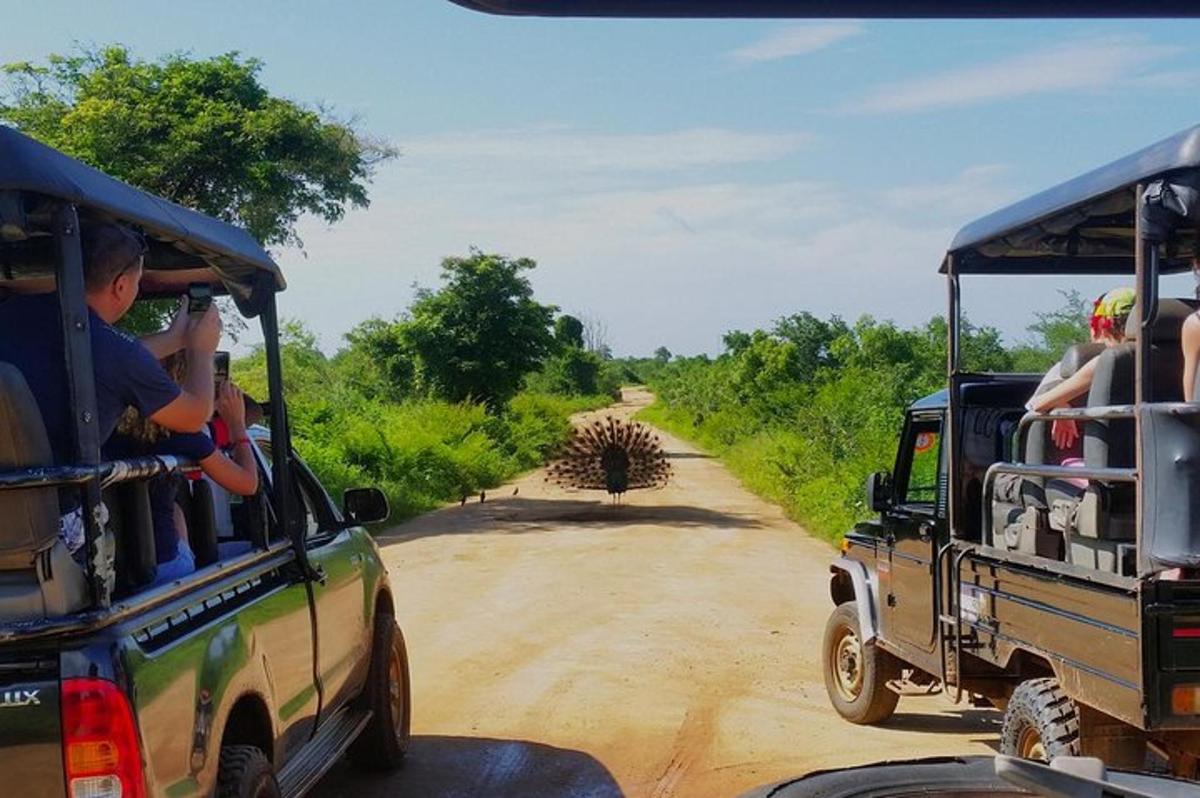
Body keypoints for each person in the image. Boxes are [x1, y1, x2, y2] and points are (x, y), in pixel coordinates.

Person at [0, 221, 222, 557]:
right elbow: (193, 415)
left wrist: (174, 339)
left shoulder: (13, 313)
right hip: (49, 530)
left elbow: (105, 358)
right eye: (137, 284)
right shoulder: (113, 351)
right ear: (120, 286)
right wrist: (201, 351)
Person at [107, 359, 258, 585]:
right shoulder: (184, 438)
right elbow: (248, 483)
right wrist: (237, 424)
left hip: (113, 569)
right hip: (167, 564)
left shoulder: (109, 432)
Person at [1028, 287, 1136, 451]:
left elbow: (1038, 404)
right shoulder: (1172, 358)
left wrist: (1061, 405)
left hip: (1104, 459)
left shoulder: (1105, 362)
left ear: (1102, 326)